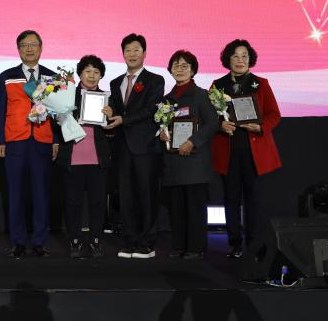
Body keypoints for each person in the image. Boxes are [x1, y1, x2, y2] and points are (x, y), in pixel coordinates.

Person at [211, 39, 282, 258]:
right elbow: (209, 116)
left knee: (254, 200)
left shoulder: (261, 83)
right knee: (230, 199)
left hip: (254, 153)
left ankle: (253, 245)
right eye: (235, 56)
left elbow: (274, 114)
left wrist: (260, 127)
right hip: (229, 151)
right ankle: (234, 244)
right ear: (228, 59)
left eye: (244, 56)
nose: (240, 60)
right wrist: (220, 125)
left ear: (250, 60)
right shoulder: (218, 85)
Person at [0, 30, 59, 258]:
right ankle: (18, 242)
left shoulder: (52, 77)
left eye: (33, 44)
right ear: (18, 49)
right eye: (24, 45)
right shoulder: (7, 76)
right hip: (15, 141)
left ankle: (39, 242)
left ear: (41, 48)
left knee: (41, 193)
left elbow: (58, 112)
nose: (29, 49)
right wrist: (0, 139)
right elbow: (0, 109)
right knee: (15, 193)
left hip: (42, 140)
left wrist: (56, 139)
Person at [102, 33, 164, 259]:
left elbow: (151, 110)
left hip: (145, 147)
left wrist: (123, 119)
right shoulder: (115, 82)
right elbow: (116, 108)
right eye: (128, 50)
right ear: (123, 54)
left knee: (147, 195)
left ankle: (147, 243)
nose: (132, 54)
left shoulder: (155, 80)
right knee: (126, 197)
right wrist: (109, 112)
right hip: (122, 147)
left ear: (144, 53)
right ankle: (129, 241)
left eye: (136, 50)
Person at [158, 50, 218, 260]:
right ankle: (178, 245)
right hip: (173, 163)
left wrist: (193, 141)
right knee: (176, 208)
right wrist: (162, 134)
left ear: (193, 70)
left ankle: (196, 247)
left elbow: (213, 124)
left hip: (195, 162)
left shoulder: (201, 95)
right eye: (176, 66)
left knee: (195, 208)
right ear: (170, 70)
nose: (180, 69)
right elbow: (163, 125)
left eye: (185, 66)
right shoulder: (166, 100)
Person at [56, 55, 112, 258]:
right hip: (73, 158)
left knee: (97, 203)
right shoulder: (66, 96)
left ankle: (96, 241)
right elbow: (56, 124)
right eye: (87, 71)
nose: (92, 75)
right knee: (73, 203)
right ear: (80, 74)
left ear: (101, 76)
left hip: (98, 159)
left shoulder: (107, 99)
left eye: (96, 72)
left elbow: (112, 130)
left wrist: (110, 117)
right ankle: (75, 241)